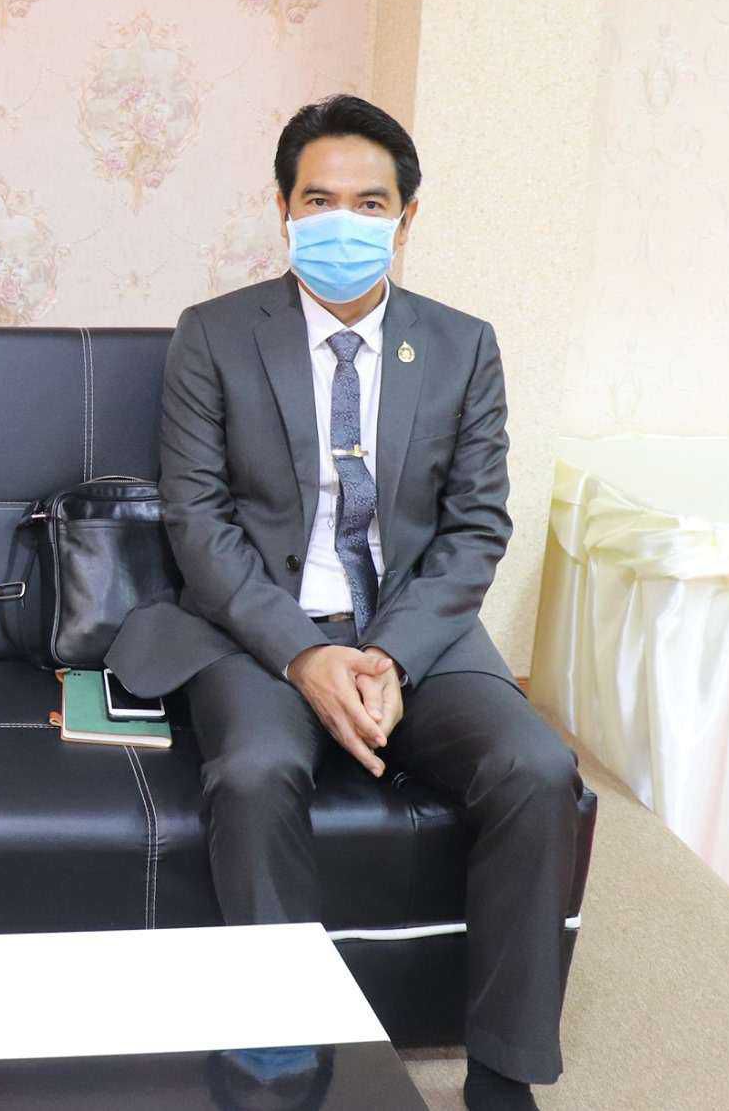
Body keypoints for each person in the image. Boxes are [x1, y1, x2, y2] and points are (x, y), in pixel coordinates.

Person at [107, 95, 585, 1110]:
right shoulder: (214, 336)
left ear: (406, 217)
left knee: (536, 767)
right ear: (282, 208)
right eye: (318, 199)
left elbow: (475, 526)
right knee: (253, 772)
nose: (342, 222)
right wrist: (304, 654)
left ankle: (502, 1073)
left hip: (413, 631)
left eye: (369, 203)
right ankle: (284, 1057)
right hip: (262, 629)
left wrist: (392, 656)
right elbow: (198, 524)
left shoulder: (461, 345)